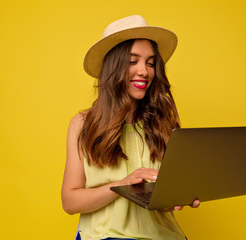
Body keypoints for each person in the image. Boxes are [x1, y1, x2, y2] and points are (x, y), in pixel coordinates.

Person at [61, 15, 200, 240]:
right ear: (114, 67)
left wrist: (178, 196)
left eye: (151, 62)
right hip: (105, 236)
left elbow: (160, 203)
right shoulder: (83, 125)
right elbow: (70, 201)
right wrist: (121, 185)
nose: (144, 71)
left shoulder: (164, 124)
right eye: (133, 61)